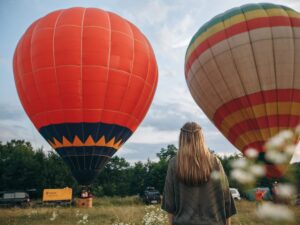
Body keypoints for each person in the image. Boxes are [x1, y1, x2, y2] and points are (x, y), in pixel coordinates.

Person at [162, 122, 236, 225]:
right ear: (201, 138)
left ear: (181, 138)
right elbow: (227, 200)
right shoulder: (215, 162)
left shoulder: (174, 164)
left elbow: (169, 204)